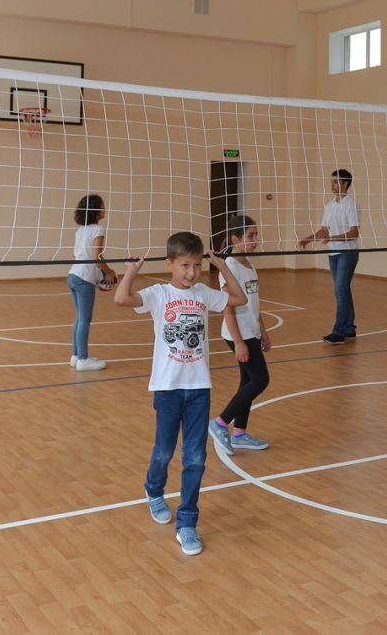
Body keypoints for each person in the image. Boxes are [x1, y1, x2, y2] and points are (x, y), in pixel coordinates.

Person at [113, 232, 246, 556]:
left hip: (199, 388)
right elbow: (121, 299)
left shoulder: (203, 293)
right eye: (185, 265)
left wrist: (221, 266)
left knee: (196, 458)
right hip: (167, 388)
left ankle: (187, 522)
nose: (191, 272)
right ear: (169, 264)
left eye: (197, 265)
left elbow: (238, 299)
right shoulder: (158, 294)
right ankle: (154, 489)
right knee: (163, 451)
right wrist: (131, 271)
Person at [209, 214, 271, 455]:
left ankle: (240, 433)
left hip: (250, 331)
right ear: (235, 239)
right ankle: (220, 422)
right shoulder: (230, 267)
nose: (255, 239)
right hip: (239, 334)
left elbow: (254, 302)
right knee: (260, 380)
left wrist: (262, 331)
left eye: (256, 234)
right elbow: (228, 307)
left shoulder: (248, 264)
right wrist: (238, 343)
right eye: (250, 235)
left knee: (248, 382)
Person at [299, 169, 360, 344]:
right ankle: (349, 329)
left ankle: (338, 332)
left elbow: (354, 233)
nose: (332, 185)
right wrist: (309, 238)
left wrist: (331, 238)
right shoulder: (329, 205)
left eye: (336, 181)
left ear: (345, 184)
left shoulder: (351, 205)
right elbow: (324, 230)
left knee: (340, 291)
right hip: (333, 253)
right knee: (343, 290)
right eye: (331, 181)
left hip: (347, 253)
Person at [68, 194, 118, 372]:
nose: (105, 209)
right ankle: (83, 359)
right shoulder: (98, 229)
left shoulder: (80, 230)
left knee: (80, 318)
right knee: (84, 319)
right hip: (84, 278)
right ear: (96, 210)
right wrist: (108, 271)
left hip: (73, 275)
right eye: (102, 206)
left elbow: (80, 255)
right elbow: (97, 257)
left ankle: (75, 356)